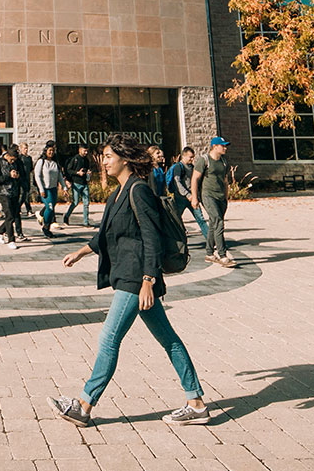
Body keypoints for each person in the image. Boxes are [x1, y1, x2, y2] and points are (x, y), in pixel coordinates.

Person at [46, 133, 212, 428]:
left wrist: (149, 279)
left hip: (136, 279)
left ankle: (84, 406)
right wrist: (81, 252)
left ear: (125, 159)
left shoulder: (139, 191)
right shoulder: (117, 193)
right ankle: (196, 402)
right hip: (130, 276)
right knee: (169, 340)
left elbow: (151, 238)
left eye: (109, 156)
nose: (104, 162)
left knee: (109, 339)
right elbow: (105, 236)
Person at [191, 137, 234, 268]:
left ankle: (209, 253)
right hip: (208, 195)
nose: (225, 148)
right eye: (223, 146)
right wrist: (194, 198)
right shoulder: (204, 160)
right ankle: (223, 255)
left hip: (221, 197)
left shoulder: (224, 162)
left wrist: (226, 196)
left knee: (213, 224)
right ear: (215, 146)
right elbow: (195, 179)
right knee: (218, 221)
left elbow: (225, 180)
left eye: (226, 146)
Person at [167, 146, 209, 243]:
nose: (192, 159)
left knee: (201, 219)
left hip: (193, 198)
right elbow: (177, 182)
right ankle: (173, 241)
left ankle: (210, 241)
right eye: (190, 157)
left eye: (193, 157)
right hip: (181, 198)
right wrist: (187, 195)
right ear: (183, 156)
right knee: (176, 219)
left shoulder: (192, 167)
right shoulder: (178, 167)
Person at [0, 145, 26, 248]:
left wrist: (18, 176)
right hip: (3, 193)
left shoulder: (18, 162)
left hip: (15, 192)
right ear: (7, 155)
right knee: (9, 215)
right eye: (11, 159)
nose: (13, 162)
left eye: (14, 160)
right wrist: (8, 175)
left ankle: (0, 230)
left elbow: (24, 175)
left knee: (14, 215)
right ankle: (11, 240)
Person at [34, 144, 63, 239]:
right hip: (45, 189)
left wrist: (64, 187)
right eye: (49, 150)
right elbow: (37, 176)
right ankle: (46, 228)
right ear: (45, 151)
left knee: (51, 208)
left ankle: (41, 214)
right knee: (50, 208)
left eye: (53, 150)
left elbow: (60, 176)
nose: (51, 152)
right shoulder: (41, 162)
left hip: (53, 188)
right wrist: (41, 189)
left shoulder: (55, 163)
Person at [63, 144, 92, 228]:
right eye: (84, 150)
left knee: (86, 203)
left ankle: (86, 222)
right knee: (75, 202)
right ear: (80, 150)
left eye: (87, 151)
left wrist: (88, 173)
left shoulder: (86, 160)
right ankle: (66, 216)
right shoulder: (75, 159)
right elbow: (68, 170)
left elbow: (87, 170)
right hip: (76, 183)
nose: (86, 152)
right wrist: (77, 173)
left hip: (84, 183)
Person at [16, 143, 34, 219]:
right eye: (24, 148)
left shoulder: (29, 158)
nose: (26, 150)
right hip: (21, 178)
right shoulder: (20, 158)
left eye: (26, 148)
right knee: (23, 194)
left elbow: (31, 168)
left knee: (27, 194)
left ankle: (21, 208)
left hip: (27, 177)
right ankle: (27, 209)